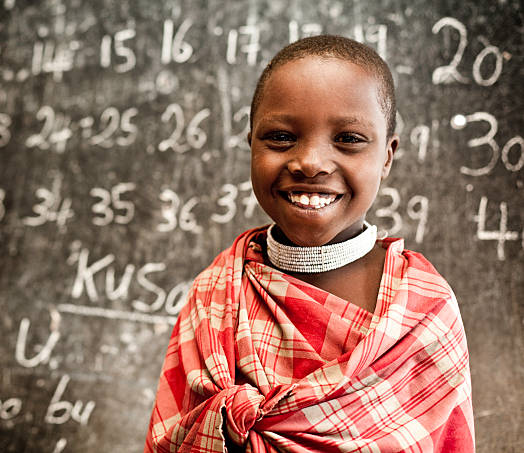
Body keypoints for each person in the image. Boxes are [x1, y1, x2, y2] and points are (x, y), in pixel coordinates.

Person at [145, 35, 474, 452]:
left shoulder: (424, 310)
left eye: (349, 139)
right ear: (251, 146)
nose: (311, 162)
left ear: (387, 156)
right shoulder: (216, 298)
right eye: (281, 138)